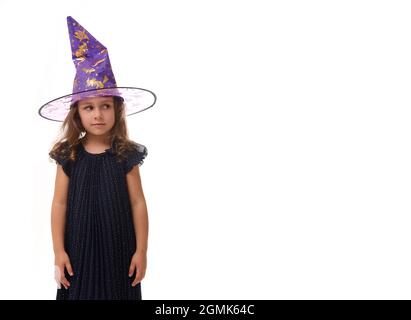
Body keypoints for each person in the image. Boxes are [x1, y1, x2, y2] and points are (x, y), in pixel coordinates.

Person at [38, 16, 157, 300]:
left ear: (117, 109)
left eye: (105, 106)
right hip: (78, 251)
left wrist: (141, 250)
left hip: (120, 251)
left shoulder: (126, 154)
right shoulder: (69, 154)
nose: (98, 114)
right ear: (77, 113)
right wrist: (58, 251)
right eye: (89, 107)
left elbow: (138, 202)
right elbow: (59, 203)